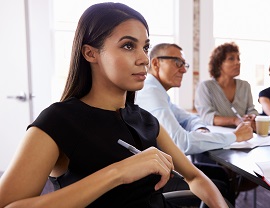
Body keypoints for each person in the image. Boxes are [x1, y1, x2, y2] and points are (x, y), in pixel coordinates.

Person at [0, 3, 228, 208]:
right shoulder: (59, 121)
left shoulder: (147, 121)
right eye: (128, 46)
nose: (144, 59)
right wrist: (118, 172)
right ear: (90, 53)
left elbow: (195, 177)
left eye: (145, 47)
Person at [136, 43, 254, 204]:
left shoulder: (159, 92)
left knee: (220, 174)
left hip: (163, 168)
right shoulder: (150, 92)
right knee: (219, 186)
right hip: (153, 180)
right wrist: (235, 136)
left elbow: (188, 118)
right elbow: (181, 143)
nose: (184, 70)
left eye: (184, 64)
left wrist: (200, 128)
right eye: (177, 62)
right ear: (156, 63)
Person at [194, 42, 258, 129]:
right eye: (231, 59)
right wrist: (234, 120)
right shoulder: (205, 87)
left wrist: (252, 116)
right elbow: (207, 117)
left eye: (238, 59)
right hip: (217, 137)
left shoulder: (245, 86)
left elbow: (251, 109)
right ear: (219, 64)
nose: (237, 62)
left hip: (244, 134)